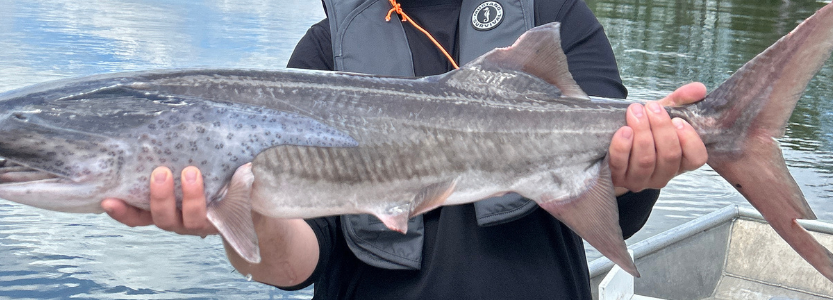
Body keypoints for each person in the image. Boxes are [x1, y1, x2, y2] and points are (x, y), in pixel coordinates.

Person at [101, 0, 708, 298]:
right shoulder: (322, 55)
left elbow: (620, 206)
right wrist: (235, 210)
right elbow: (301, 263)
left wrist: (642, 172)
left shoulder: (555, 16)